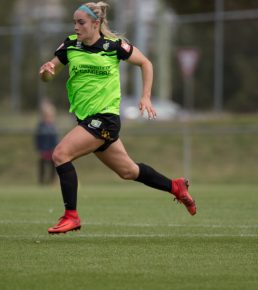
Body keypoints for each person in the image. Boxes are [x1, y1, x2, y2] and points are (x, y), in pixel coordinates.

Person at [38, 2, 196, 234]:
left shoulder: (114, 46)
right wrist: (45, 74)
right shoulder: (70, 45)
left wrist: (146, 97)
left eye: (81, 22)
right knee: (129, 171)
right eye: (74, 22)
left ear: (96, 23)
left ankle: (71, 216)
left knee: (61, 154)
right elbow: (49, 74)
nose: (76, 27)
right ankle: (176, 186)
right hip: (86, 120)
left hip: (105, 119)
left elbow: (146, 63)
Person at [34, 99, 59, 185]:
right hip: (44, 149)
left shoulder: (53, 127)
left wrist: (56, 148)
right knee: (42, 164)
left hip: (52, 149)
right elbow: (38, 139)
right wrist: (40, 148)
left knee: (53, 165)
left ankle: (52, 180)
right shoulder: (41, 126)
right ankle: (42, 181)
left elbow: (55, 139)